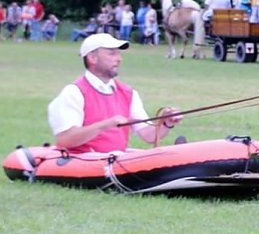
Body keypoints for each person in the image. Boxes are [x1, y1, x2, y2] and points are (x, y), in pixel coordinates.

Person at [47, 34, 183, 153]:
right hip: (83, 164)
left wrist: (166, 123)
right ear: (92, 58)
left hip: (115, 164)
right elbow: (66, 139)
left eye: (118, 53)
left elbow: (148, 135)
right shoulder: (74, 92)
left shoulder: (128, 93)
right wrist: (105, 125)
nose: (119, 59)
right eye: (112, 54)